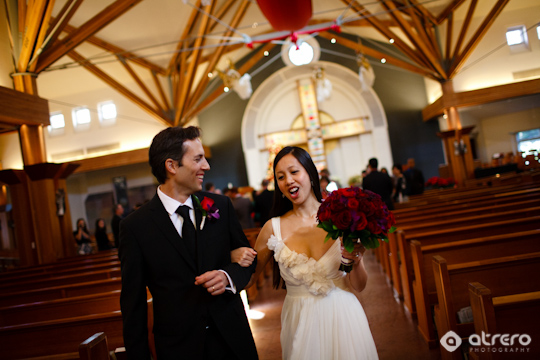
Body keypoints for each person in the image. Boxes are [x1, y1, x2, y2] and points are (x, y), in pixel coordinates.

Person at [119, 126, 258, 360]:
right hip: (179, 348)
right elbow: (133, 305)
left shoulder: (220, 206)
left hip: (232, 340)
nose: (206, 166)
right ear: (172, 166)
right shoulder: (135, 227)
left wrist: (227, 277)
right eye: (198, 159)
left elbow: (247, 262)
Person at [234, 146, 378, 359]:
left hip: (344, 316)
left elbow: (359, 285)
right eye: (281, 177)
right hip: (299, 319)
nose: (288, 181)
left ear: (310, 174)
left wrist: (356, 259)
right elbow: (248, 280)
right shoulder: (272, 228)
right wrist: (233, 258)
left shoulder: (340, 217)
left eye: (294, 172)